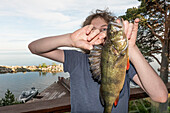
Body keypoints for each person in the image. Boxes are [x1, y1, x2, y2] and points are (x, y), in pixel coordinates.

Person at [28, 9, 168, 113]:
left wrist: (132, 49)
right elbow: (34, 48)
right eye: (93, 30)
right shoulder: (76, 59)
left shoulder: (125, 62)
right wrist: (69, 39)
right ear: (86, 33)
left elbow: (161, 96)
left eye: (105, 29)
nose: (100, 34)